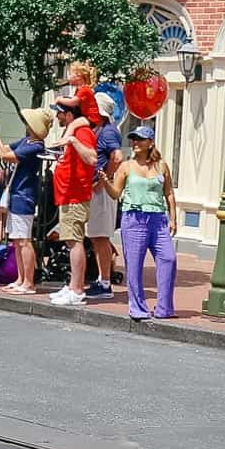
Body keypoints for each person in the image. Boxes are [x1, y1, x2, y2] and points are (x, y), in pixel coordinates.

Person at [104, 124, 177, 320]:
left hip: (159, 219)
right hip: (134, 218)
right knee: (134, 265)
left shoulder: (161, 165)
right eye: (133, 139)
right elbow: (115, 194)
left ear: (150, 142)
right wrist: (105, 182)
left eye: (140, 139)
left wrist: (173, 218)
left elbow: (169, 192)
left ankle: (164, 308)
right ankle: (137, 308)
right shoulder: (126, 166)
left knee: (168, 259)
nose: (135, 143)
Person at [47, 92, 99, 306]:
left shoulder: (82, 131)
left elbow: (92, 157)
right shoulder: (75, 131)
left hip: (76, 195)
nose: (58, 119)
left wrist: (73, 140)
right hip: (68, 195)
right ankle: (72, 285)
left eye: (60, 115)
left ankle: (77, 290)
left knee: (75, 241)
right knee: (70, 240)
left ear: (69, 114)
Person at [0, 108, 50, 295]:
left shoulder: (36, 146)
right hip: (15, 192)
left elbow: (7, 155)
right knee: (17, 240)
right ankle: (20, 278)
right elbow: (7, 148)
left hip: (24, 194)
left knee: (25, 240)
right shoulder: (27, 141)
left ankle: (29, 282)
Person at [85, 91, 125, 301]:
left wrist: (105, 179)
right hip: (95, 189)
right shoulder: (99, 129)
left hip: (101, 192)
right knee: (95, 236)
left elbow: (117, 157)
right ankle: (102, 279)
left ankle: (105, 282)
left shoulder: (108, 131)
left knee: (100, 237)